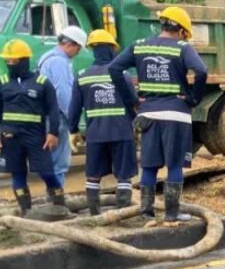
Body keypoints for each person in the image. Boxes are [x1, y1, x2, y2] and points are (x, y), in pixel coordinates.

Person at [108, 6, 208, 225]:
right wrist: (193, 99)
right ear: (181, 30)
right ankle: (172, 214)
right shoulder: (182, 48)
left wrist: (133, 100)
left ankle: (146, 214)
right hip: (176, 114)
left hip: (148, 115)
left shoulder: (139, 45)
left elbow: (114, 68)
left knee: (150, 165)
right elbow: (201, 71)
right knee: (175, 165)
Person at [68, 30, 137, 216]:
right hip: (122, 133)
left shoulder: (82, 76)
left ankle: (94, 215)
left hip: (95, 135)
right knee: (123, 175)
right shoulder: (122, 75)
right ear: (112, 49)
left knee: (93, 175)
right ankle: (123, 214)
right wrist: (135, 124)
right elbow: (132, 103)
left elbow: (74, 108)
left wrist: (73, 130)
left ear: (92, 49)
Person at [0, 40, 64, 216]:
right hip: (10, 137)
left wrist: (53, 133)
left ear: (24, 60)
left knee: (47, 172)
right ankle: (25, 211)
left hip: (36, 137)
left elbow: (53, 110)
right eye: (7, 61)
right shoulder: (3, 83)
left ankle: (60, 205)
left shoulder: (42, 83)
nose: (10, 64)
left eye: (13, 61)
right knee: (17, 174)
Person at [37, 25, 87, 187]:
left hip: (46, 115)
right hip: (57, 118)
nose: (78, 52)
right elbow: (63, 94)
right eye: (78, 48)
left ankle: (52, 195)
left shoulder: (46, 57)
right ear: (70, 44)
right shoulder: (59, 62)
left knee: (50, 160)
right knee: (58, 163)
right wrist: (73, 122)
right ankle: (56, 198)